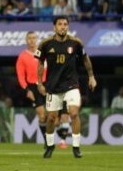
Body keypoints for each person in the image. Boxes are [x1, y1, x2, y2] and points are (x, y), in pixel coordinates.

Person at [35, 16, 97, 158]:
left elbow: (85, 59)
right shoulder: (45, 44)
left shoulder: (75, 43)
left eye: (65, 24)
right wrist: (40, 83)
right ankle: (50, 145)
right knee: (51, 118)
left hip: (72, 85)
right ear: (54, 27)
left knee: (74, 114)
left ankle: (76, 147)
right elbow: (40, 63)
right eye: (60, 24)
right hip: (53, 86)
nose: (63, 27)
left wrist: (91, 76)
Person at [16, 31, 48, 144]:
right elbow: (20, 76)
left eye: (34, 38)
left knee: (53, 114)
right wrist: (27, 90)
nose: (32, 40)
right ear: (26, 40)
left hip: (46, 85)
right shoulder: (22, 56)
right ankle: (47, 140)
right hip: (33, 87)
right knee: (42, 115)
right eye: (29, 38)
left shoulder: (44, 54)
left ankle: (59, 132)